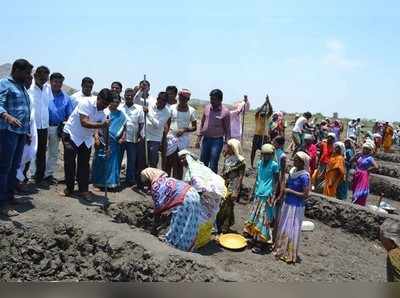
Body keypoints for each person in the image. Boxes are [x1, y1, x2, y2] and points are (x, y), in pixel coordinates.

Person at [62, 88, 112, 199]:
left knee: (84, 164)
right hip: (72, 135)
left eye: (107, 105)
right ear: (98, 98)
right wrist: (101, 125)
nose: (104, 107)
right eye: (103, 103)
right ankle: (69, 189)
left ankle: (83, 190)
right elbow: (84, 122)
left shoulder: (106, 111)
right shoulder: (86, 103)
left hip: (86, 138)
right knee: (70, 163)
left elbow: (105, 130)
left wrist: (107, 146)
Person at [0, 59, 33, 216]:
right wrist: (7, 116)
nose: (29, 76)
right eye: (27, 73)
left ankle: (10, 196)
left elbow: (23, 110)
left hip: (20, 133)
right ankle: (2, 203)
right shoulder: (4, 83)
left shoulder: (21, 86)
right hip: (7, 131)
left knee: (15, 166)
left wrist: (26, 131)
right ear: (17, 70)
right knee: (4, 167)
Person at [141, 168, 202, 252]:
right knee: (190, 222)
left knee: (179, 223)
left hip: (185, 198)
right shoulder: (165, 180)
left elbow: (158, 210)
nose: (146, 186)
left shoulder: (156, 186)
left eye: (146, 182)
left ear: (149, 177)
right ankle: (187, 246)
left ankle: (175, 247)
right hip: (194, 194)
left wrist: (153, 229)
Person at [178, 149, 226, 249]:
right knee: (206, 217)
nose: (182, 161)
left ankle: (195, 242)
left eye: (183, 158)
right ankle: (201, 239)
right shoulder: (194, 168)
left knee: (200, 218)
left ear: (188, 158)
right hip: (210, 195)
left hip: (209, 195)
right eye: (180, 159)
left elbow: (198, 186)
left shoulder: (194, 170)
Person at [273, 151, 311, 264]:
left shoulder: (304, 176)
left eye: (296, 159)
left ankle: (289, 253)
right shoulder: (293, 172)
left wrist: (290, 191)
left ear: (302, 162)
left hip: (295, 206)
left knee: (291, 229)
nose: (293, 160)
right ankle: (281, 248)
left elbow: (305, 195)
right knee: (283, 226)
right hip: (287, 203)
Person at [244, 144, 280, 253]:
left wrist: (273, 195)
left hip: (267, 195)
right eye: (264, 154)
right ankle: (254, 239)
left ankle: (261, 243)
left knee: (263, 219)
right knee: (255, 217)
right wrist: (252, 191)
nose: (266, 157)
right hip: (258, 193)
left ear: (272, 155)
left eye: (268, 155)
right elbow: (257, 179)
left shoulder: (274, 165)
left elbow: (277, 182)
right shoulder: (259, 163)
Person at [92, 94, 127, 190]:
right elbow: (96, 124)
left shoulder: (121, 115)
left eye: (117, 102)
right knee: (100, 161)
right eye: (113, 101)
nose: (115, 104)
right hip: (102, 139)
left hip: (114, 141)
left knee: (112, 163)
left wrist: (123, 137)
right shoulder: (104, 112)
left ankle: (111, 184)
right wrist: (96, 137)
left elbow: (124, 127)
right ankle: (99, 184)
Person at [45, 72, 74, 183]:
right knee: (39, 151)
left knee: (53, 152)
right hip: (42, 126)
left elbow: (69, 115)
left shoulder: (66, 97)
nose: (57, 84)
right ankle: (35, 174)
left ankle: (48, 175)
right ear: (50, 81)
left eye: (60, 82)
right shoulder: (44, 93)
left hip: (56, 127)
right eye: (55, 81)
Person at [196, 89, 230, 173]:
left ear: (220, 100)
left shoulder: (225, 112)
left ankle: (212, 183)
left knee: (213, 162)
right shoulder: (207, 108)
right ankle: (202, 182)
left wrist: (226, 144)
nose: (212, 101)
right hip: (206, 139)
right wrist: (198, 138)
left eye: (214, 99)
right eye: (211, 99)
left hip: (217, 141)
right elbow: (202, 122)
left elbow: (228, 130)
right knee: (203, 162)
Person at [165, 89, 197, 179]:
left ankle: (177, 185)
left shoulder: (191, 110)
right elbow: (167, 123)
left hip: (183, 141)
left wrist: (185, 129)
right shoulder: (171, 108)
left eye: (184, 98)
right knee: (168, 162)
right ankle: (166, 184)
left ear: (188, 99)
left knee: (180, 163)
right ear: (178, 97)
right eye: (181, 98)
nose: (182, 100)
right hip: (170, 138)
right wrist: (163, 138)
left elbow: (194, 127)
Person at [216, 139, 246, 234]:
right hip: (225, 184)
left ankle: (225, 226)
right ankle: (219, 225)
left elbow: (240, 177)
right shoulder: (227, 158)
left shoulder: (240, 162)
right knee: (221, 205)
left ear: (233, 148)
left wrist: (236, 191)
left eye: (228, 146)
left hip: (233, 186)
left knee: (228, 206)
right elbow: (223, 172)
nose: (226, 148)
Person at [28, 66, 51, 185]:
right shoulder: (29, 87)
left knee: (42, 152)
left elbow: (47, 106)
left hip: (44, 125)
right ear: (35, 76)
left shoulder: (48, 88)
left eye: (45, 79)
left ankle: (39, 177)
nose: (43, 81)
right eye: (41, 79)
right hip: (32, 125)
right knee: (28, 151)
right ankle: (24, 178)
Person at [119, 88, 144, 187]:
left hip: (133, 138)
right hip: (120, 138)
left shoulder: (139, 108)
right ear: (124, 95)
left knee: (131, 160)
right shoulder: (120, 107)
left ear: (134, 96)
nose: (129, 96)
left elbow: (141, 124)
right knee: (118, 159)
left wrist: (140, 136)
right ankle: (116, 178)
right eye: (127, 95)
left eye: (131, 95)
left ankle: (129, 180)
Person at [16, 75, 37, 188]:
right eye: (28, 79)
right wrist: (26, 131)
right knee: (17, 158)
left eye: (31, 80)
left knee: (25, 157)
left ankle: (19, 182)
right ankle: (14, 185)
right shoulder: (17, 93)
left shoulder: (28, 95)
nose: (30, 82)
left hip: (29, 130)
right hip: (19, 130)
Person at [141, 92, 171, 168]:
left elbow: (158, 125)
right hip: (144, 136)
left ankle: (152, 178)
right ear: (157, 99)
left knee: (153, 161)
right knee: (142, 160)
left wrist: (148, 114)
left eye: (164, 101)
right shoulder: (150, 104)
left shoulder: (167, 112)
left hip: (155, 139)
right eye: (160, 100)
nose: (162, 103)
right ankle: (141, 178)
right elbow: (136, 100)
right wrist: (141, 90)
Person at [351, 141, 378, 206]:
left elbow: (376, 167)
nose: (364, 150)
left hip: (363, 175)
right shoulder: (360, 156)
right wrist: (355, 155)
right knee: (355, 188)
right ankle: (354, 203)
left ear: (369, 150)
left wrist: (368, 170)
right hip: (357, 174)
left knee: (360, 189)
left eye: (366, 149)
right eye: (364, 148)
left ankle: (359, 203)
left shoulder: (370, 158)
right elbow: (351, 160)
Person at [250, 96, 273, 168]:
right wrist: (264, 103)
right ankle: (251, 165)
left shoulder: (266, 117)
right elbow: (258, 111)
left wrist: (268, 102)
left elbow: (271, 111)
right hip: (257, 135)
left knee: (263, 151)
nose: (263, 113)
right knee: (253, 150)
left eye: (264, 112)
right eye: (262, 112)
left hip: (264, 136)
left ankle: (262, 165)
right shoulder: (257, 116)